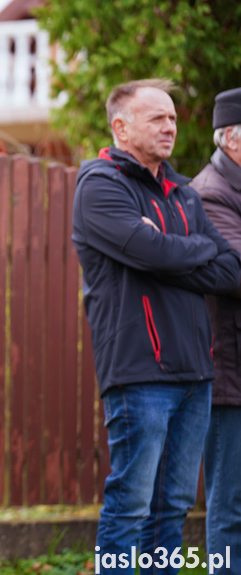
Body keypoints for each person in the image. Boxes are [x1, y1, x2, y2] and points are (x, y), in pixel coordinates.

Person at [72, 78, 241, 575]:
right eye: (157, 119)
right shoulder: (99, 185)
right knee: (130, 506)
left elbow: (229, 270)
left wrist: (169, 250)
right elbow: (151, 251)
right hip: (139, 370)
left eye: (172, 118)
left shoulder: (183, 190)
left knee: (173, 509)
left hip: (196, 373)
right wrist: (183, 249)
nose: (170, 127)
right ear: (121, 127)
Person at [190, 87, 241, 570]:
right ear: (232, 139)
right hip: (230, 374)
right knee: (230, 505)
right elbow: (236, 271)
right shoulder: (212, 191)